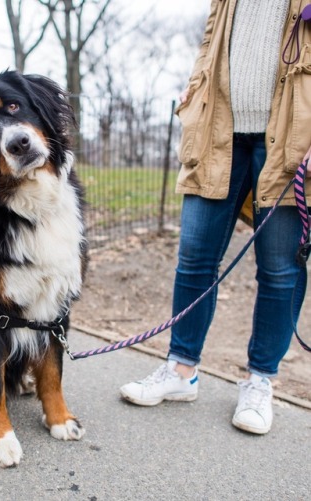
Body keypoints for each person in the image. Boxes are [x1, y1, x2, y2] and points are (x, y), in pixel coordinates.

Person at [120, 0, 311, 435]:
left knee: (280, 270)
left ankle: (260, 381)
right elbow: (210, 41)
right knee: (194, 258)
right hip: (218, 131)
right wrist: (194, 86)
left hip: (291, 138)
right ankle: (181, 370)